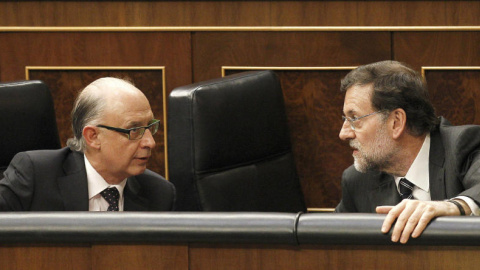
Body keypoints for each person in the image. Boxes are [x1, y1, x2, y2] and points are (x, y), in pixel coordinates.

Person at [335, 60, 480, 243]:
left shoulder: (463, 146)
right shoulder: (358, 181)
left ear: (396, 122)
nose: (343, 133)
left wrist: (454, 207)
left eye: (354, 118)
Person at [0, 77, 175, 211]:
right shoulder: (35, 177)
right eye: (134, 130)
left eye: (150, 128)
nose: (150, 142)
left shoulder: (159, 194)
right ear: (93, 137)